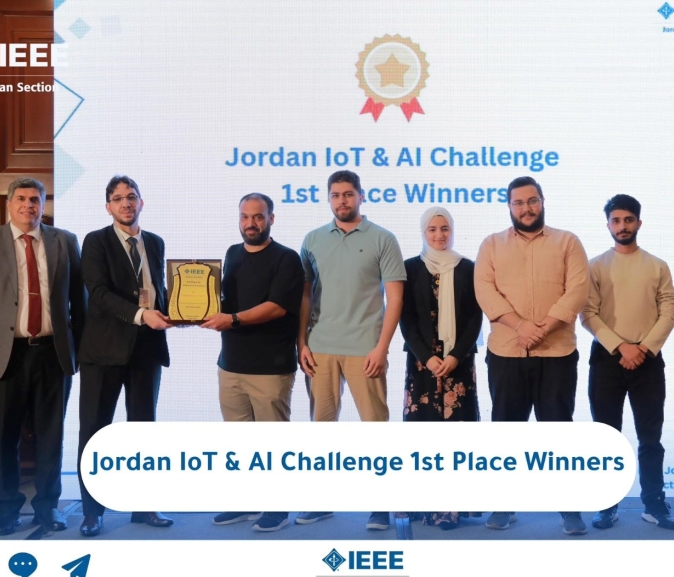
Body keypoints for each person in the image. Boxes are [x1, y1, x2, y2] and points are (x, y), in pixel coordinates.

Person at [0, 177, 86, 535]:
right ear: (9, 204)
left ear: (43, 205)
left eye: (35, 199)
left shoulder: (65, 241)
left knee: (51, 436)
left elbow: (80, 300)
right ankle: (8, 510)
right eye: (22, 199)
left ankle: (48, 507)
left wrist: (80, 351)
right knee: (3, 438)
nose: (28, 205)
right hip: (4, 356)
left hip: (53, 354)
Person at [474, 176, 589, 535]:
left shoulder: (568, 242)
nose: (526, 208)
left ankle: (569, 510)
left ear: (542, 201)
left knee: (559, 433)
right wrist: (520, 325)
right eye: (519, 202)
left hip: (557, 353)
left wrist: (543, 328)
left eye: (532, 201)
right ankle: (503, 505)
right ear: (509, 206)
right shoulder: (491, 245)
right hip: (506, 353)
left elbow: (577, 290)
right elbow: (485, 291)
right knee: (506, 433)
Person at [296, 170, 406, 531]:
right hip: (321, 348)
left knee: (374, 429)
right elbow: (305, 296)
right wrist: (301, 342)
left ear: (361, 196)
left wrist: (382, 348)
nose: (342, 200)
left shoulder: (383, 238)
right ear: (329, 199)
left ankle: (380, 506)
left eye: (348, 194)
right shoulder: (313, 240)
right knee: (322, 430)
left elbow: (395, 299)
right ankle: (321, 501)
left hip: (365, 349)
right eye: (335, 195)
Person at [76, 175, 173, 537]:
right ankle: (92, 512)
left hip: (146, 350)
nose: (126, 203)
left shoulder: (155, 242)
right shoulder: (96, 241)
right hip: (103, 352)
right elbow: (99, 293)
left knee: (143, 432)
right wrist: (141, 315)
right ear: (108, 207)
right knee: (95, 432)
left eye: (132, 196)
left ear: (141, 202)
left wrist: (183, 312)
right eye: (118, 198)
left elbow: (157, 289)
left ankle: (144, 507)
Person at [204, 193, 304, 533]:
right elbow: (221, 299)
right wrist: (190, 308)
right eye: (245, 217)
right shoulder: (232, 253)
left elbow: (276, 307)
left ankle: (277, 507)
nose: (251, 223)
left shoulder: (287, 258)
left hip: (270, 367)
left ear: (271, 219)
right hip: (230, 364)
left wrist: (232, 319)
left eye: (258, 217)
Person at [580, 194, 674, 530]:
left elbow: (669, 311)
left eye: (628, 220)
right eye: (616, 220)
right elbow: (587, 313)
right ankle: (607, 505)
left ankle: (654, 504)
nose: (622, 226)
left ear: (638, 222)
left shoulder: (658, 265)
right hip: (607, 360)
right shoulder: (595, 265)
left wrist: (643, 348)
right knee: (607, 438)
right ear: (608, 224)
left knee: (651, 438)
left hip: (648, 361)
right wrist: (621, 346)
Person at [400, 206, 483, 530]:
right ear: (423, 232)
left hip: (457, 364)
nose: (439, 235)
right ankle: (423, 505)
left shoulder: (468, 268)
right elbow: (405, 318)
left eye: (445, 228)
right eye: (432, 229)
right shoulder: (409, 268)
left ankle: (451, 508)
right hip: (422, 365)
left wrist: (455, 356)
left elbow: (475, 317)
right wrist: (427, 356)